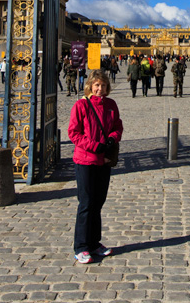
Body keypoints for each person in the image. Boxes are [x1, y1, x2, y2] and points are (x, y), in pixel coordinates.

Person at [68, 69, 123, 264]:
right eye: (96, 85)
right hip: (85, 159)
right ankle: (81, 246)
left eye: (103, 85)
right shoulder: (81, 105)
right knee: (86, 203)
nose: (100, 89)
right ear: (90, 86)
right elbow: (73, 133)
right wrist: (94, 146)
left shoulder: (111, 105)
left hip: (103, 161)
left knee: (98, 202)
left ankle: (94, 242)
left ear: (107, 87)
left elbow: (118, 126)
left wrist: (111, 139)